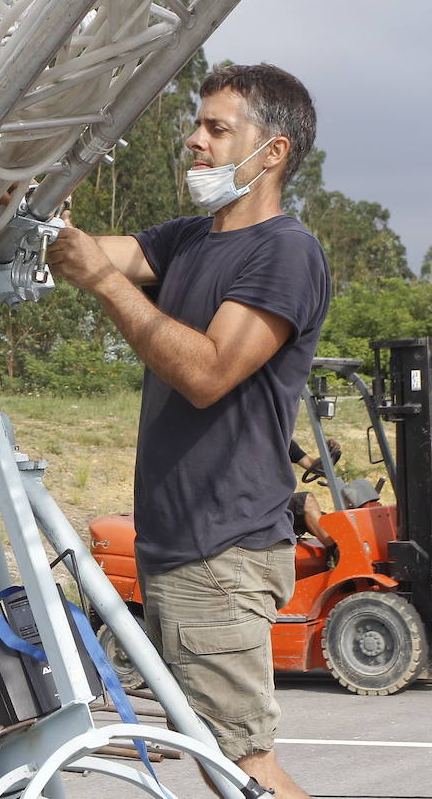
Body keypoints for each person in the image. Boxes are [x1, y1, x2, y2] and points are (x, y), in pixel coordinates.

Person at [48, 63, 329, 799]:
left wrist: (105, 284)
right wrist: (40, 209)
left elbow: (208, 372)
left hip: (222, 547)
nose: (193, 140)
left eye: (216, 128)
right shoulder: (188, 240)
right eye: (196, 125)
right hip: (182, 545)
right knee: (221, 762)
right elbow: (86, 253)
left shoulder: (284, 252)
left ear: (272, 152)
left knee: (245, 769)